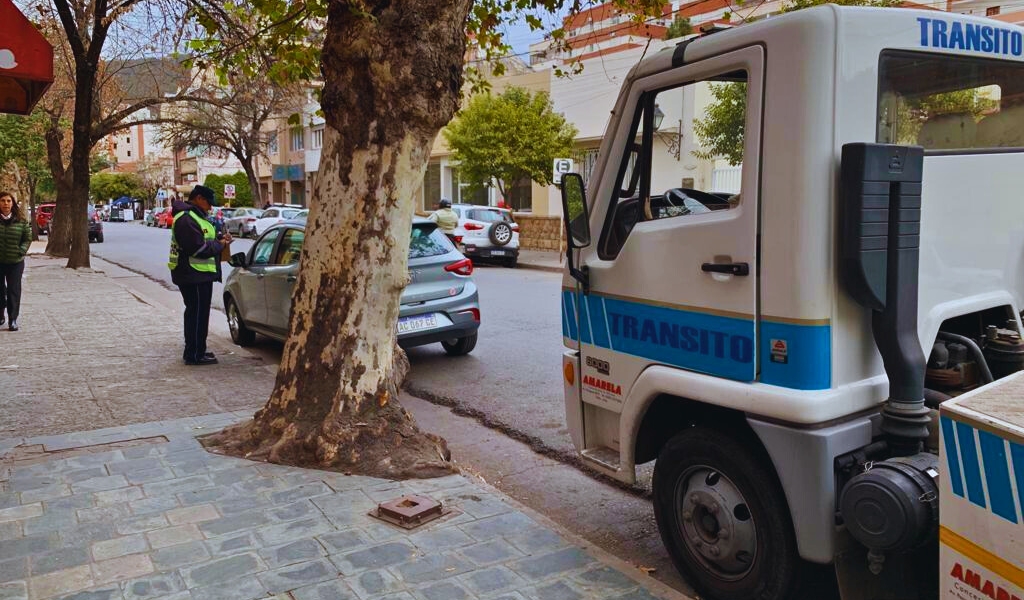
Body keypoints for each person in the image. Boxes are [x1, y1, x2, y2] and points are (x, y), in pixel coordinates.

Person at [169, 185, 232, 365]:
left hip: (199, 274)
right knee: (196, 315)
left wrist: (219, 238)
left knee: (199, 314)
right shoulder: (186, 220)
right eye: (208, 203)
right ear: (198, 198)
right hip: (192, 274)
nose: (210, 207)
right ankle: (194, 354)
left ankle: (198, 350)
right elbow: (199, 249)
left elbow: (205, 239)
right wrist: (220, 244)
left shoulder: (196, 217)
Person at [0, 192, 30, 331]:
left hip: (15, 262)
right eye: (3, 201)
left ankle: (13, 319)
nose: (6, 203)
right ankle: (1, 315)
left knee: (14, 290)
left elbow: (27, 238)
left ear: (13, 204)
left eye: (8, 201)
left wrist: (21, 250)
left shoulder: (21, 220)